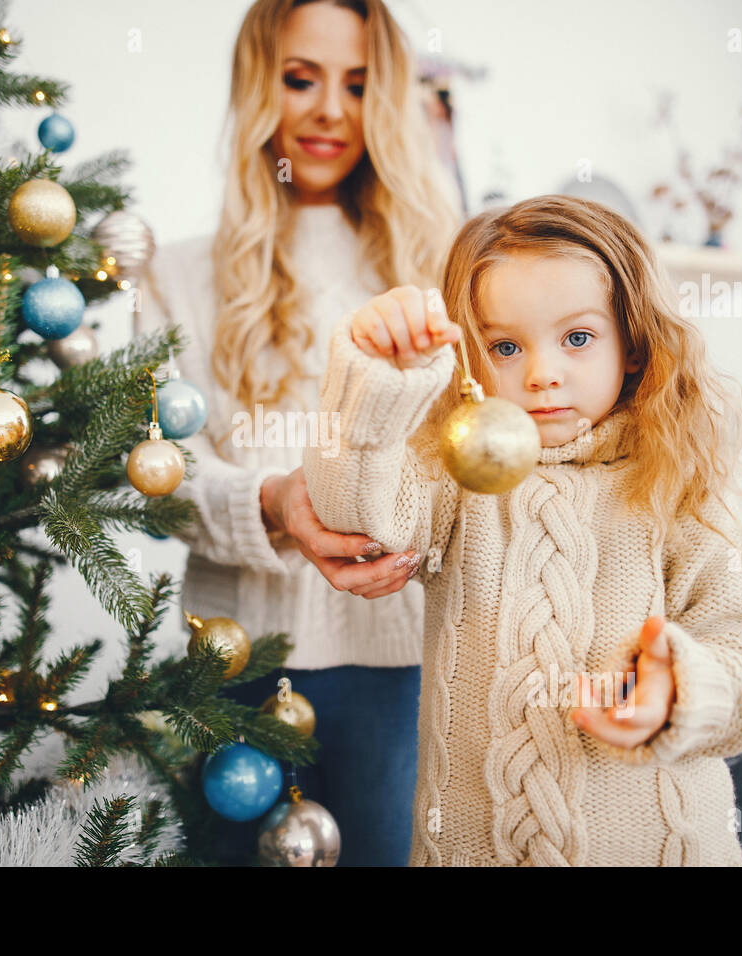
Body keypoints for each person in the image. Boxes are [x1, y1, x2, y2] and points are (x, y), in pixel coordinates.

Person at [301, 194, 742, 865]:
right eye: (505, 346)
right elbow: (354, 517)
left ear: (631, 341)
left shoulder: (675, 483)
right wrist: (373, 381)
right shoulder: (455, 475)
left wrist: (684, 692)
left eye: (577, 338)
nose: (541, 374)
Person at [136, 0, 461, 865]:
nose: (327, 111)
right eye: (300, 78)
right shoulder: (174, 275)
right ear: (258, 87)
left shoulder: (441, 270)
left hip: (403, 659)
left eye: (357, 85)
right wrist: (275, 504)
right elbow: (151, 474)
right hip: (234, 661)